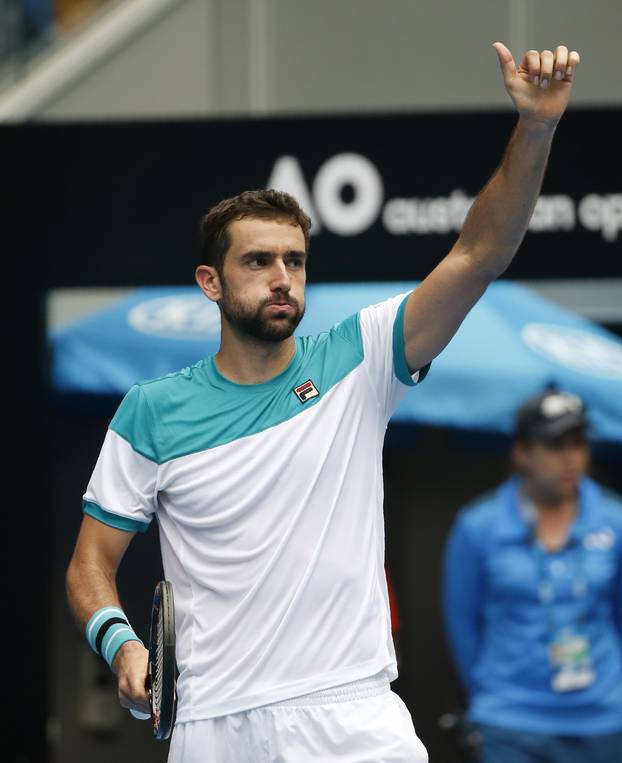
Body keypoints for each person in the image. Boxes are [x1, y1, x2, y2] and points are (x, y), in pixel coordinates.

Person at [66, 42, 581, 762]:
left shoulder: (362, 356)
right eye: (258, 261)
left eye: (295, 261)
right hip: (212, 723)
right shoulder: (151, 412)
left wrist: (537, 127)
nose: (282, 278)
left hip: (350, 714)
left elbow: (479, 254)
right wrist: (120, 643)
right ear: (210, 282)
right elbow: (91, 563)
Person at [442, 389, 622, 763]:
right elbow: (462, 627)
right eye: (555, 445)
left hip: (602, 719)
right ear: (522, 453)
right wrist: (491, 699)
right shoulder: (478, 526)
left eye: (579, 443)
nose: (571, 458)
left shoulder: (614, 520)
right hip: (511, 722)